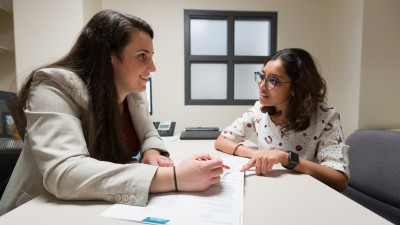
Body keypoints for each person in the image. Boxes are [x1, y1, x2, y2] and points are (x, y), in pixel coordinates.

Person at [0, 9, 222, 216]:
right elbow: (66, 172)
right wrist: (174, 177)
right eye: (142, 56)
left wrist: (152, 151)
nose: (153, 67)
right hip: (37, 211)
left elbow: (149, 134)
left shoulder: (132, 94)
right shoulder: (53, 86)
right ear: (109, 56)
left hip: (91, 207)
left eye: (151, 55)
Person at [215, 48, 349, 192]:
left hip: (307, 193)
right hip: (271, 189)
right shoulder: (259, 109)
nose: (261, 86)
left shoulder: (326, 117)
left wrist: (286, 158)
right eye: (262, 76)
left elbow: (339, 180)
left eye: (273, 81)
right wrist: (255, 154)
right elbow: (222, 141)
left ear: (296, 88)